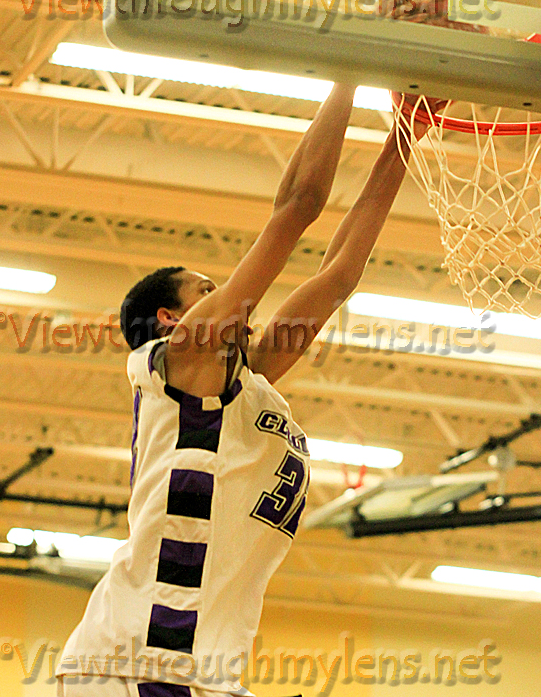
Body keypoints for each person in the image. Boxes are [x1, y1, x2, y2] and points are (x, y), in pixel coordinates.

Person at [56, 84, 441, 697]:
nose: (229, 294)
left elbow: (338, 275)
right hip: (135, 658)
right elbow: (297, 206)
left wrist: (408, 133)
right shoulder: (172, 364)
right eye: (206, 288)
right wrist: (350, 71)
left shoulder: (250, 387)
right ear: (170, 319)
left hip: (192, 668)